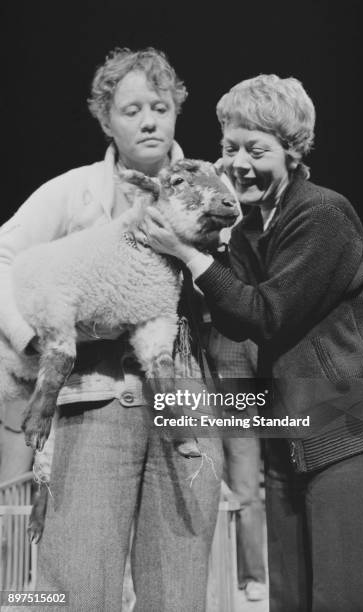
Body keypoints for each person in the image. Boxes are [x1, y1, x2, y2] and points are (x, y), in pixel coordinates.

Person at [140, 74, 363, 612]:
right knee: (291, 600)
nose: (239, 163)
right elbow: (232, 321)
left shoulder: (323, 216)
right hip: (287, 437)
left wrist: (190, 255)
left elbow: (265, 314)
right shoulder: (253, 224)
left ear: (293, 151)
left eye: (257, 150)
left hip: (342, 441)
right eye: (230, 148)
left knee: (346, 600)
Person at [0, 47, 222, 612]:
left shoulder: (213, 187)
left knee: (177, 588)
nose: (149, 119)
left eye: (160, 105)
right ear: (105, 119)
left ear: (175, 111)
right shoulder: (72, 192)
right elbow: (3, 257)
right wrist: (34, 338)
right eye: (131, 109)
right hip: (93, 405)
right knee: (77, 581)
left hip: (185, 399)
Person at [208, 329, 267, 601]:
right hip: (205, 421)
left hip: (240, 420)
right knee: (206, 498)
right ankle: (211, 574)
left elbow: (264, 377)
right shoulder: (197, 328)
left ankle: (253, 576)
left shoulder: (242, 333)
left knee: (246, 498)